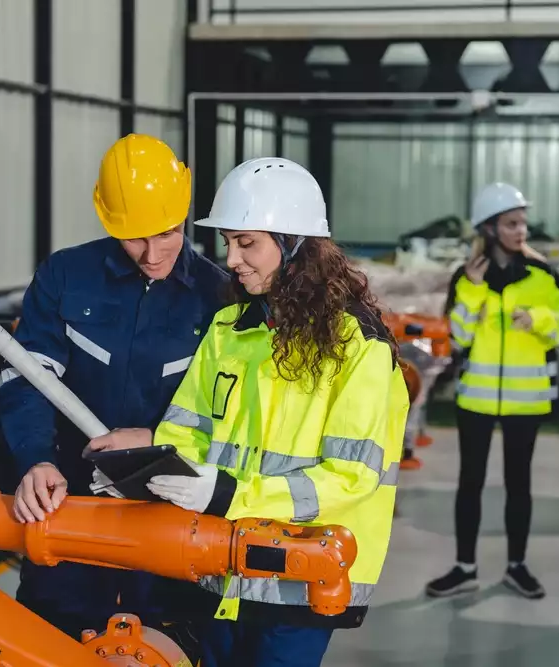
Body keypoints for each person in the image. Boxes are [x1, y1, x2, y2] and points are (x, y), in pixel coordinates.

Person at [137, 157, 409, 667]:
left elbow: (351, 476)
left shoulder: (358, 348)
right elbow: (185, 427)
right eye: (229, 243)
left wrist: (226, 493)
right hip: (217, 568)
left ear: (296, 246)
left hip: (300, 579)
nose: (232, 259)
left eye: (248, 243)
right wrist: (150, 472)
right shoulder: (229, 329)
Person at [0, 134, 230, 639]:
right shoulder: (66, 275)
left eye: (166, 233)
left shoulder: (219, 297)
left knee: (171, 642)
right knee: (49, 638)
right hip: (71, 505)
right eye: (134, 237)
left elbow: (233, 414)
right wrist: (36, 459)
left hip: (175, 516)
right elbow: (28, 377)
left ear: (185, 214)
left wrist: (155, 440)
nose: (151, 254)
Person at [425, 182, 559, 600]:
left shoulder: (544, 275)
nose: (521, 231)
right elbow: (456, 337)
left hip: (526, 400)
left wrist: (542, 320)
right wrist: (473, 292)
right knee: (469, 482)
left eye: (523, 223)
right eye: (512, 223)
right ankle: (465, 567)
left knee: (519, 484)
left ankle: (517, 566)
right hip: (474, 397)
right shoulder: (466, 277)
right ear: (490, 228)